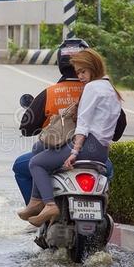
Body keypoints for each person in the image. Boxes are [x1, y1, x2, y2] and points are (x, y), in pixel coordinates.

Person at [18, 48, 122, 227]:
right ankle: (35, 203)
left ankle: (48, 204)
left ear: (93, 67)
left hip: (86, 147)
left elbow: (83, 125)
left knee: (36, 163)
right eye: (78, 72)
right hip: (101, 152)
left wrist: (74, 152)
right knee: (40, 149)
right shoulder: (111, 89)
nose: (80, 76)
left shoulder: (92, 87)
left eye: (83, 71)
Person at [13, 38, 88, 204]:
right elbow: (118, 129)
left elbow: (26, 128)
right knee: (109, 171)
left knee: (20, 166)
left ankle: (36, 210)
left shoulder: (50, 93)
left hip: (56, 153)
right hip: (93, 153)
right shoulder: (97, 90)